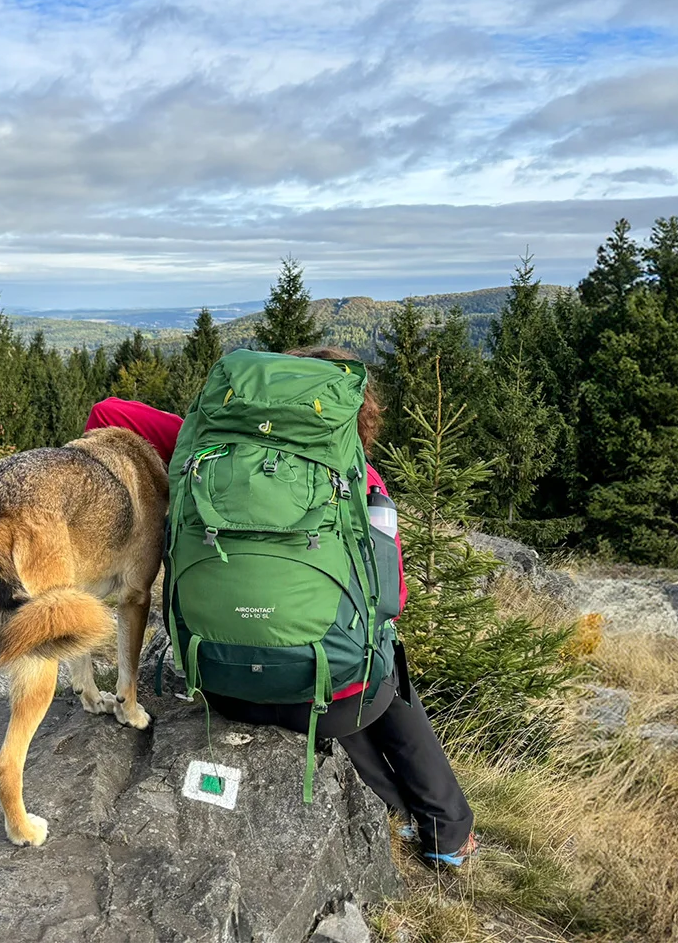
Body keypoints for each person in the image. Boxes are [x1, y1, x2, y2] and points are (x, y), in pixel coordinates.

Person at [87, 347, 478, 869]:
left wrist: (199, 447)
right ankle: (445, 832)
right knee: (373, 655)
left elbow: (106, 414)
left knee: (331, 662)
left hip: (222, 680)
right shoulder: (365, 482)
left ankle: (398, 808)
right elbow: (392, 601)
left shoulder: (197, 445)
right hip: (331, 700)